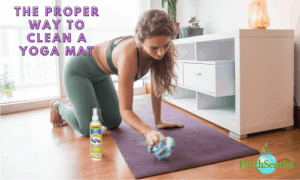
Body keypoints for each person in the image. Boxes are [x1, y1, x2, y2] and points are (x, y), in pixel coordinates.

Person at [50, 9, 184, 148]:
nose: (161, 53)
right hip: (78, 71)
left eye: (166, 45)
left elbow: (156, 88)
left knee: (113, 121)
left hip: (101, 75)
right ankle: (58, 106)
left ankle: (79, 103)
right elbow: (126, 110)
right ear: (140, 39)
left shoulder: (159, 49)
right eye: (154, 48)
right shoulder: (128, 55)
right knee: (87, 129)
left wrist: (158, 121)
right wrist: (148, 132)